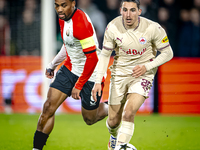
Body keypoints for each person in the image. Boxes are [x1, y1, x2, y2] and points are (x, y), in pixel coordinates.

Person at [92, 0, 173, 150]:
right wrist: (98, 81)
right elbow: (104, 55)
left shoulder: (153, 28)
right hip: (119, 74)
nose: (128, 14)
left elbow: (168, 53)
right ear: (120, 11)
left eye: (132, 10)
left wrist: (147, 66)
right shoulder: (112, 27)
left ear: (139, 12)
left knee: (129, 112)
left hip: (143, 75)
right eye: (125, 10)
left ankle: (122, 147)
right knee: (113, 121)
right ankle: (114, 138)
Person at [32, 0, 108, 149]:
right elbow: (67, 45)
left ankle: (111, 107)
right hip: (70, 68)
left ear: (73, 3)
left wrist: (79, 85)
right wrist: (52, 65)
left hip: (91, 73)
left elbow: (92, 59)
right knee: (48, 107)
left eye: (63, 5)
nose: (59, 9)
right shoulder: (63, 18)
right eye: (56, 5)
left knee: (89, 119)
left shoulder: (80, 24)